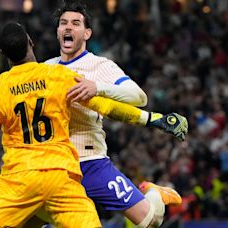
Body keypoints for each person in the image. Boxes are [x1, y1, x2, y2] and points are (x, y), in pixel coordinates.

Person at [0, 22, 187, 228]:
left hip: (20, 180)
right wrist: (155, 119)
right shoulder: (57, 75)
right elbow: (107, 106)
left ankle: (151, 193)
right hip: (61, 176)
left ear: (2, 52)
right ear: (31, 41)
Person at [40, 1, 183, 227]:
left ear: (87, 33)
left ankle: (153, 192)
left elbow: (139, 97)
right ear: (58, 31)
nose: (68, 27)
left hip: (90, 162)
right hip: (53, 165)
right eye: (63, 23)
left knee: (150, 221)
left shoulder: (99, 65)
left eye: (75, 23)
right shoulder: (45, 68)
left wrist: (98, 87)